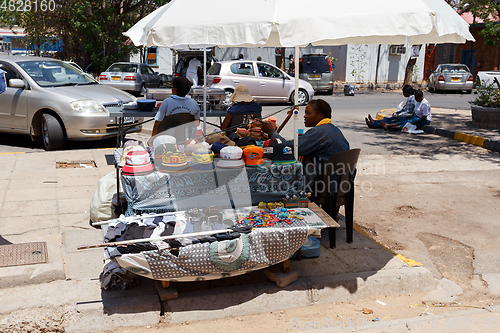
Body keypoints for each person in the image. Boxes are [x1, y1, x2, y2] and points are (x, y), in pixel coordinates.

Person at [260, 99, 349, 191]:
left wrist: (271, 132)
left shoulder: (319, 132)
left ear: (320, 116)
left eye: (308, 113)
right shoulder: (333, 129)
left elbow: (288, 149)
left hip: (323, 185)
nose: (305, 116)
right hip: (338, 182)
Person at [148, 77, 200, 146]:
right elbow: (196, 124)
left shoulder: (167, 102)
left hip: (167, 139)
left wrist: (152, 138)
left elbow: (157, 123)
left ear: (175, 90)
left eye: (172, 87)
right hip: (186, 140)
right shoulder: (194, 104)